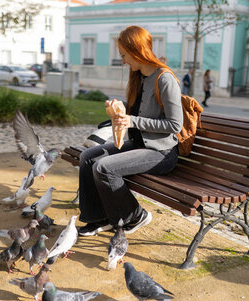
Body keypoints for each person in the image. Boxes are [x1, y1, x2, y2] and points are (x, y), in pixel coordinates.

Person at [77, 25, 183, 237]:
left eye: (124, 55)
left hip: (161, 152)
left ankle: (136, 215)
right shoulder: (140, 77)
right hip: (140, 145)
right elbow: (139, 108)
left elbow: (175, 125)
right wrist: (119, 106)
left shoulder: (165, 79)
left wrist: (132, 121)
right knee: (88, 157)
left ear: (137, 51)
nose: (123, 60)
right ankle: (99, 217)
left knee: (104, 168)